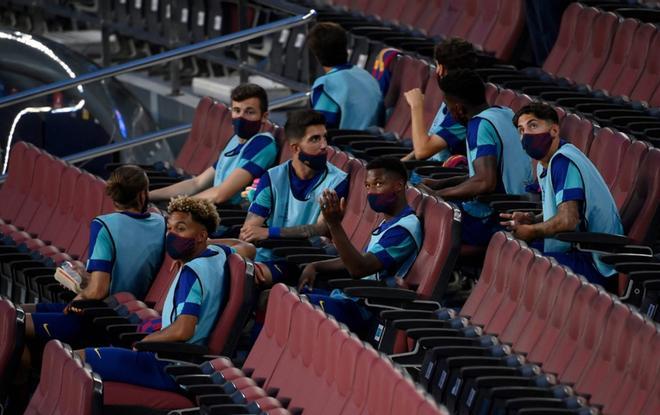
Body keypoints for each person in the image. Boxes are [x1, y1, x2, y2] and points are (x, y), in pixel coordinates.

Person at [75, 196, 253, 391]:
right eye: (170, 228)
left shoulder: (192, 273)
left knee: (73, 360)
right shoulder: (217, 254)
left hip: (167, 366)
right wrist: (198, 245)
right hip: (184, 364)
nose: (172, 235)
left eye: (181, 229)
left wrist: (145, 342)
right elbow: (247, 247)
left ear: (201, 236)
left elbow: (183, 330)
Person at [24, 165, 166, 343]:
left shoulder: (104, 225)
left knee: (15, 321)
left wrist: (75, 301)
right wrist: (85, 276)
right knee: (18, 312)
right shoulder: (161, 222)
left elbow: (98, 290)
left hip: (99, 317)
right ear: (142, 194)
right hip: (121, 315)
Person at [501, 102, 623, 292]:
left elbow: (568, 219)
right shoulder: (546, 163)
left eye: (533, 126)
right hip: (577, 248)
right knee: (510, 250)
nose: (526, 135)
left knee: (523, 263)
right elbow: (562, 209)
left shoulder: (564, 162)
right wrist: (532, 219)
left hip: (594, 261)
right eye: (521, 130)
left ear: (554, 130)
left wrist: (532, 230)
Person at [297, 157, 423, 335]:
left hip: (365, 309)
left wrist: (334, 224)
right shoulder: (388, 222)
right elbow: (360, 259)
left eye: (378, 184)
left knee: (290, 306)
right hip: (349, 297)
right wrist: (315, 265)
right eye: (368, 186)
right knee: (274, 296)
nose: (371, 192)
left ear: (399, 185)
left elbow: (359, 268)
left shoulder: (404, 229)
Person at [421, 69, 533, 246]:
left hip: (499, 216)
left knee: (420, 219)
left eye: (448, 108)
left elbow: (485, 182)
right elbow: (487, 174)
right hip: (519, 205)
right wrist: (440, 184)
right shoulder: (505, 112)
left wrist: (437, 195)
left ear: (458, 109)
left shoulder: (478, 125)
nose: (449, 113)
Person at [240, 109, 349, 284]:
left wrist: (269, 232)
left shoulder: (337, 181)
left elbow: (321, 228)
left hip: (304, 259)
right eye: (315, 139)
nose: (324, 145)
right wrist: (258, 235)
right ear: (295, 148)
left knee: (248, 278)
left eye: (324, 137)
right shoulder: (272, 177)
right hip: (267, 255)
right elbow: (250, 230)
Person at [149, 83, 277, 206]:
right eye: (237, 110)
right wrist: (148, 196)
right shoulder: (235, 140)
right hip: (211, 206)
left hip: (228, 215)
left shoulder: (262, 144)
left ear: (264, 116)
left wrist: (179, 205)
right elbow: (197, 183)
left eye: (249, 112)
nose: (241, 117)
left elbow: (221, 194)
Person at [403, 38, 478, 162]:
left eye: (437, 65)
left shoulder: (463, 109)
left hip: (436, 176)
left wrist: (416, 106)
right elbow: (432, 139)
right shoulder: (452, 98)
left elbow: (422, 152)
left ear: (442, 69)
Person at [308, 22, 383, 130]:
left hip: (347, 144)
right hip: (376, 142)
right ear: (346, 47)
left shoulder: (325, 86)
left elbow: (321, 133)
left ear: (316, 55)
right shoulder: (367, 76)